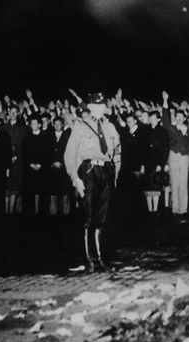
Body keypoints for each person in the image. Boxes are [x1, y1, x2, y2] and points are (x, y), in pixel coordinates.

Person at [64, 92, 121, 271]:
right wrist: (75, 178)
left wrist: (115, 176)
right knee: (87, 217)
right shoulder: (80, 128)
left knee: (101, 217)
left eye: (103, 105)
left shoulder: (110, 127)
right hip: (88, 172)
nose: (101, 108)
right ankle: (88, 259)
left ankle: (100, 258)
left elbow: (118, 152)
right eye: (97, 105)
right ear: (91, 107)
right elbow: (69, 155)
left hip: (105, 172)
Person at [162, 91, 189, 220]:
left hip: (185, 158)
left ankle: (183, 210)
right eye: (177, 117)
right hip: (174, 157)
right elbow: (165, 120)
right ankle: (175, 210)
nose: (179, 118)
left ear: (185, 118)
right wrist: (165, 102)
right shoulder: (172, 129)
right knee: (174, 184)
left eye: (181, 117)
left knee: (183, 184)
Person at [142, 110, 170, 216]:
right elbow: (143, 149)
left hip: (157, 163)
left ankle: (156, 209)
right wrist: (142, 165)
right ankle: (150, 211)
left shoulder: (163, 132)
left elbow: (165, 149)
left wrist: (161, 164)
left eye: (154, 118)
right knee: (148, 187)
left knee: (156, 186)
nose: (152, 120)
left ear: (158, 119)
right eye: (151, 118)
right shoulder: (146, 131)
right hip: (147, 163)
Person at [3, 105, 28, 215]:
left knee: (15, 187)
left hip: (17, 162)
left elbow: (23, 146)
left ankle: (12, 212)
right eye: (11, 112)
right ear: (8, 113)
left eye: (15, 112)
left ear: (18, 114)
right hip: (6, 161)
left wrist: (16, 156)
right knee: (6, 187)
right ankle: (6, 211)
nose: (13, 114)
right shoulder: (4, 128)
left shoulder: (22, 128)